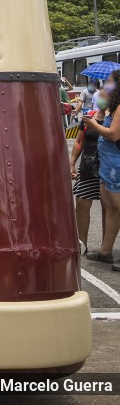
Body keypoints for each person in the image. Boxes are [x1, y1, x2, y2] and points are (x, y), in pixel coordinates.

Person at [84, 70, 120, 271]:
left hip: (116, 164)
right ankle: (105, 251)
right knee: (110, 206)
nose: (105, 84)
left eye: (109, 82)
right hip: (107, 164)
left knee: (117, 206)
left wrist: (94, 125)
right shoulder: (113, 107)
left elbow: (114, 134)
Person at [70, 107, 106, 255]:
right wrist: (72, 163)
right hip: (88, 166)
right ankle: (82, 243)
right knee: (82, 202)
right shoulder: (89, 116)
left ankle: (105, 247)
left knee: (108, 207)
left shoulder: (115, 116)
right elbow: (79, 141)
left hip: (108, 167)